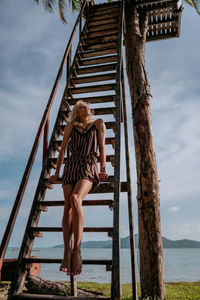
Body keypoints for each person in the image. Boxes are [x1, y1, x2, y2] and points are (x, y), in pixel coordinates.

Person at [49, 100, 109, 276]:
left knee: (76, 199)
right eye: (81, 106)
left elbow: (103, 147)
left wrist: (103, 170)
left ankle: (77, 250)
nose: (86, 107)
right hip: (71, 166)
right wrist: (56, 172)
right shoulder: (70, 126)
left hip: (89, 164)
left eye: (87, 105)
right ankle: (66, 251)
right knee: (67, 207)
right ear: (76, 111)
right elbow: (61, 151)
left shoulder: (98, 123)